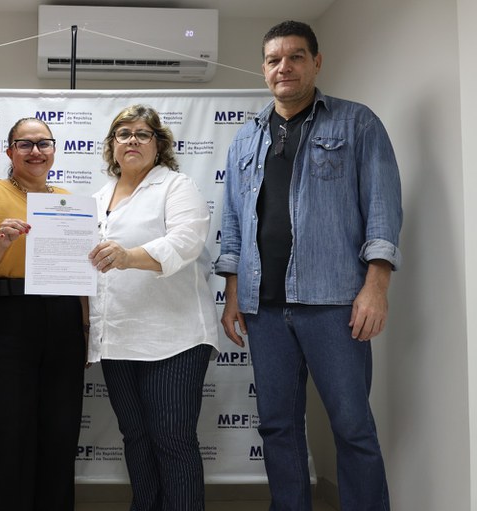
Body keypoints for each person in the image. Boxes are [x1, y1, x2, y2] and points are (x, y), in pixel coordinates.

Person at [215, 20, 402, 511]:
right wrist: (234, 293)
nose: (285, 67)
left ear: (316, 63)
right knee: (277, 426)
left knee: (352, 426)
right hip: (264, 308)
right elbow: (233, 221)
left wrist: (375, 287)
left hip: (335, 302)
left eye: (296, 57)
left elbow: (382, 208)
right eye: (275, 59)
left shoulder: (356, 123)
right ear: (263, 70)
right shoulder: (245, 140)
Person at [86, 104, 221, 510]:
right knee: (136, 438)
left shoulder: (176, 187)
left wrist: (128, 257)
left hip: (174, 337)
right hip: (117, 338)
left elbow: (185, 243)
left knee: (173, 440)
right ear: (111, 146)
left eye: (142, 134)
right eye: (122, 133)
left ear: (159, 145)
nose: (131, 140)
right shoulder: (95, 199)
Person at [0, 117, 86, 511]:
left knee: (61, 426)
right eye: (25, 144)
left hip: (64, 317)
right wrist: (0, 242)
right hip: (12, 314)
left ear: (54, 150)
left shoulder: (69, 199)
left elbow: (80, 275)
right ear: (9, 151)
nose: (36, 151)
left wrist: (84, 326)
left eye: (43, 144)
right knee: (6, 425)